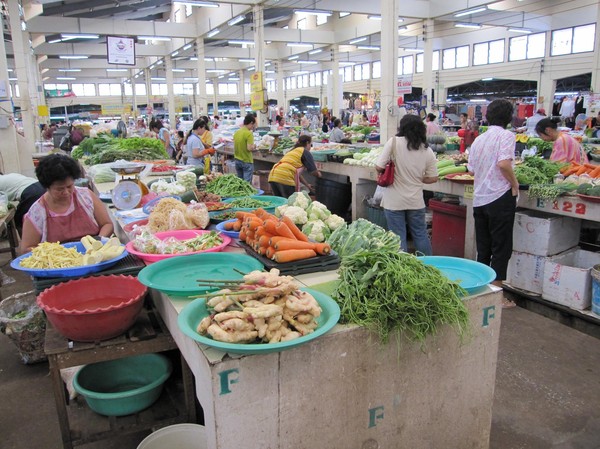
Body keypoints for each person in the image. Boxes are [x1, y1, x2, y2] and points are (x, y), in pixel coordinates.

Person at [467, 99, 519, 308]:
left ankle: (481, 289)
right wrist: (514, 184)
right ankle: (497, 295)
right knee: (501, 246)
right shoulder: (506, 136)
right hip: (499, 197)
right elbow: (504, 163)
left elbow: (471, 170)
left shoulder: (480, 138)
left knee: (484, 245)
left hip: (480, 198)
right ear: (508, 117)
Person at [20, 154, 113, 253]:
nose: (66, 192)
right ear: (47, 187)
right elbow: (26, 248)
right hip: (59, 263)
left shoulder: (86, 196)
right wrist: (58, 253)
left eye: (69, 186)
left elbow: (107, 224)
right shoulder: (37, 212)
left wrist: (97, 241)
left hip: (94, 253)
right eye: (59, 189)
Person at [375, 114, 438, 255]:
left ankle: (403, 270)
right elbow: (433, 178)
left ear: (402, 127)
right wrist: (418, 179)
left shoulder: (394, 143)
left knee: (398, 237)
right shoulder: (427, 150)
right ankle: (428, 266)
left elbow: (379, 167)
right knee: (420, 234)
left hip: (394, 201)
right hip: (416, 201)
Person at [233, 114, 257, 182]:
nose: (253, 127)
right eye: (253, 125)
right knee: (246, 185)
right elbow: (249, 148)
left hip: (237, 160)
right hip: (246, 161)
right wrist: (254, 146)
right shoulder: (248, 134)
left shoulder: (237, 132)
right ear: (251, 123)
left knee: (240, 183)